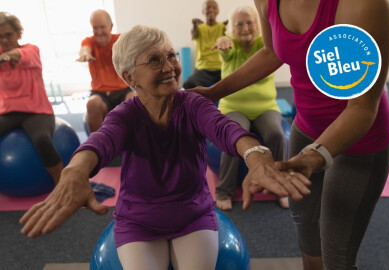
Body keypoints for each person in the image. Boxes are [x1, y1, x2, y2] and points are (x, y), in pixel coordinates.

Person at [19, 25, 311, 269]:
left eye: (171, 55)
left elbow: (225, 129)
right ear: (129, 77)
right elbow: (102, 140)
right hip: (138, 221)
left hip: (193, 215)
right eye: (155, 60)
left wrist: (255, 154)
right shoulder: (126, 115)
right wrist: (74, 171)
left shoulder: (192, 103)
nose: (170, 66)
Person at [189, 0, 389, 269]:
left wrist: (315, 155)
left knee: (337, 256)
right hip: (306, 128)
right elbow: (272, 52)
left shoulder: (364, 5)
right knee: (307, 235)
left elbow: (363, 108)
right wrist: (214, 92)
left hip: (360, 139)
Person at [211, 5, 288, 210]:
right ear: (232, 29)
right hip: (234, 106)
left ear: (258, 23)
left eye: (249, 23)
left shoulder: (267, 45)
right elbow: (225, 49)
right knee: (234, 136)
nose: (245, 28)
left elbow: (279, 45)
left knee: (277, 135)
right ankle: (224, 190)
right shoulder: (231, 46)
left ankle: (280, 184)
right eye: (239, 25)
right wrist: (222, 42)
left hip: (265, 106)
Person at [0, 12, 63, 184]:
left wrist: (7, 56)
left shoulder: (31, 50)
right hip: (9, 112)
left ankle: (62, 185)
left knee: (41, 139)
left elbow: (20, 55)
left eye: (8, 35)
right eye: (0, 37)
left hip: (38, 111)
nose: (4, 41)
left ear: (18, 34)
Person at [76, 9, 135, 133]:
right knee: (92, 104)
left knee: (134, 99)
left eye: (102, 27)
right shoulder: (89, 41)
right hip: (100, 93)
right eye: (95, 28)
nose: (98, 32)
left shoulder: (120, 40)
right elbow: (85, 49)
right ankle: (98, 148)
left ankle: (133, 144)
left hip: (123, 90)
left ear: (111, 26)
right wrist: (85, 54)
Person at [182, 0, 227, 89]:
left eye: (214, 8)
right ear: (203, 11)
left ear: (217, 11)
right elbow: (194, 34)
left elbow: (230, 38)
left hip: (221, 68)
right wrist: (195, 25)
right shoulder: (199, 27)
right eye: (208, 8)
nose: (211, 10)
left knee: (235, 84)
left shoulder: (222, 27)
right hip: (203, 69)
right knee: (188, 85)